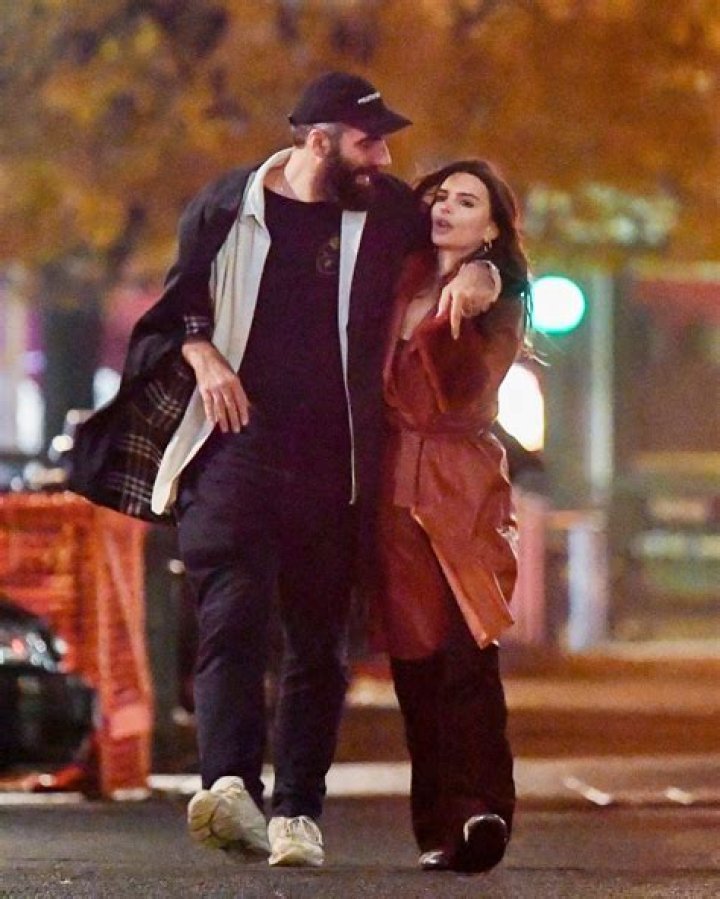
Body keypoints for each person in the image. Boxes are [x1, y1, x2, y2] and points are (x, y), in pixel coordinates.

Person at [68, 73, 500, 867]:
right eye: (370, 142)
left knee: (317, 644)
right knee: (230, 614)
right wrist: (204, 357)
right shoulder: (226, 206)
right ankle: (230, 783)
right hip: (234, 450)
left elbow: (473, 245)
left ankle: (298, 809)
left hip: (337, 464)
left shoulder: (386, 209)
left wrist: (487, 275)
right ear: (319, 140)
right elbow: (177, 310)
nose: (385, 157)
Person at [372, 159, 531, 874]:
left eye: (467, 202)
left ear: (491, 228)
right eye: (440, 196)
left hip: (459, 483)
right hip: (391, 488)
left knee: (469, 653)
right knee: (415, 664)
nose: (445, 208)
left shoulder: (495, 297)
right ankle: (437, 824)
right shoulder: (398, 280)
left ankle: (483, 811)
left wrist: (474, 287)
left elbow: (466, 389)